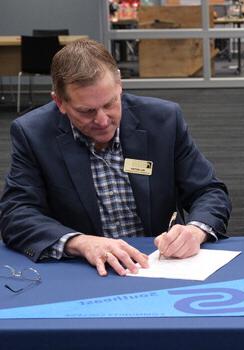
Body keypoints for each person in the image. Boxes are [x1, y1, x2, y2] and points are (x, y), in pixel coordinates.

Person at [0, 39, 231, 276]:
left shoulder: (163, 120)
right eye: (86, 111)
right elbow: (16, 213)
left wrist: (194, 231)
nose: (102, 120)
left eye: (110, 103)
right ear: (59, 102)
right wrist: (80, 243)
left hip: (157, 265)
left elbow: (208, 191)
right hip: (84, 272)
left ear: (119, 85)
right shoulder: (33, 133)